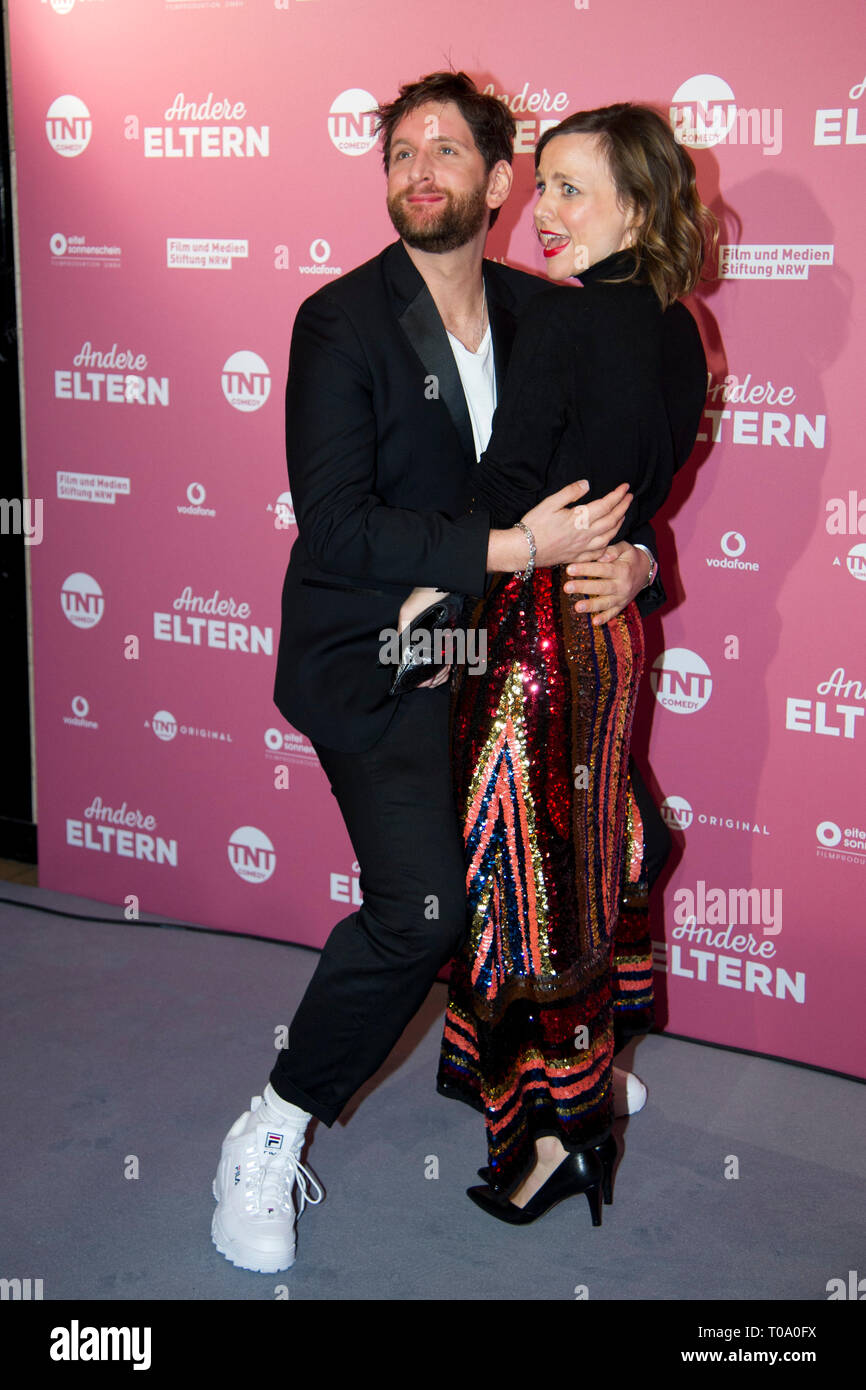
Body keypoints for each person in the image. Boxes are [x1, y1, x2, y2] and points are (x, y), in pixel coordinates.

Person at [211, 73, 669, 1275]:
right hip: (379, 656)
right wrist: (518, 549)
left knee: (602, 838)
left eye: (448, 149)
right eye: (400, 149)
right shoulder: (340, 321)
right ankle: (273, 1122)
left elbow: (609, 471)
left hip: (496, 652)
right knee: (422, 904)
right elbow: (337, 524)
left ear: (498, 180)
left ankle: (562, 1077)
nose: (421, 167)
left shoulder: (543, 312)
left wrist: (629, 562)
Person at [434, 102, 715, 1224]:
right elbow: (647, 484)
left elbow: (503, 494)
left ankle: (560, 1129)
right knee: (583, 860)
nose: (537, 211)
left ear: (636, 206)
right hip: (608, 632)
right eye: (538, 185)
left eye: (566, 189)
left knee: (523, 879)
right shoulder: (678, 323)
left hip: (532, 631)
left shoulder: (560, 325)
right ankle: (590, 1086)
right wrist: (642, 552)